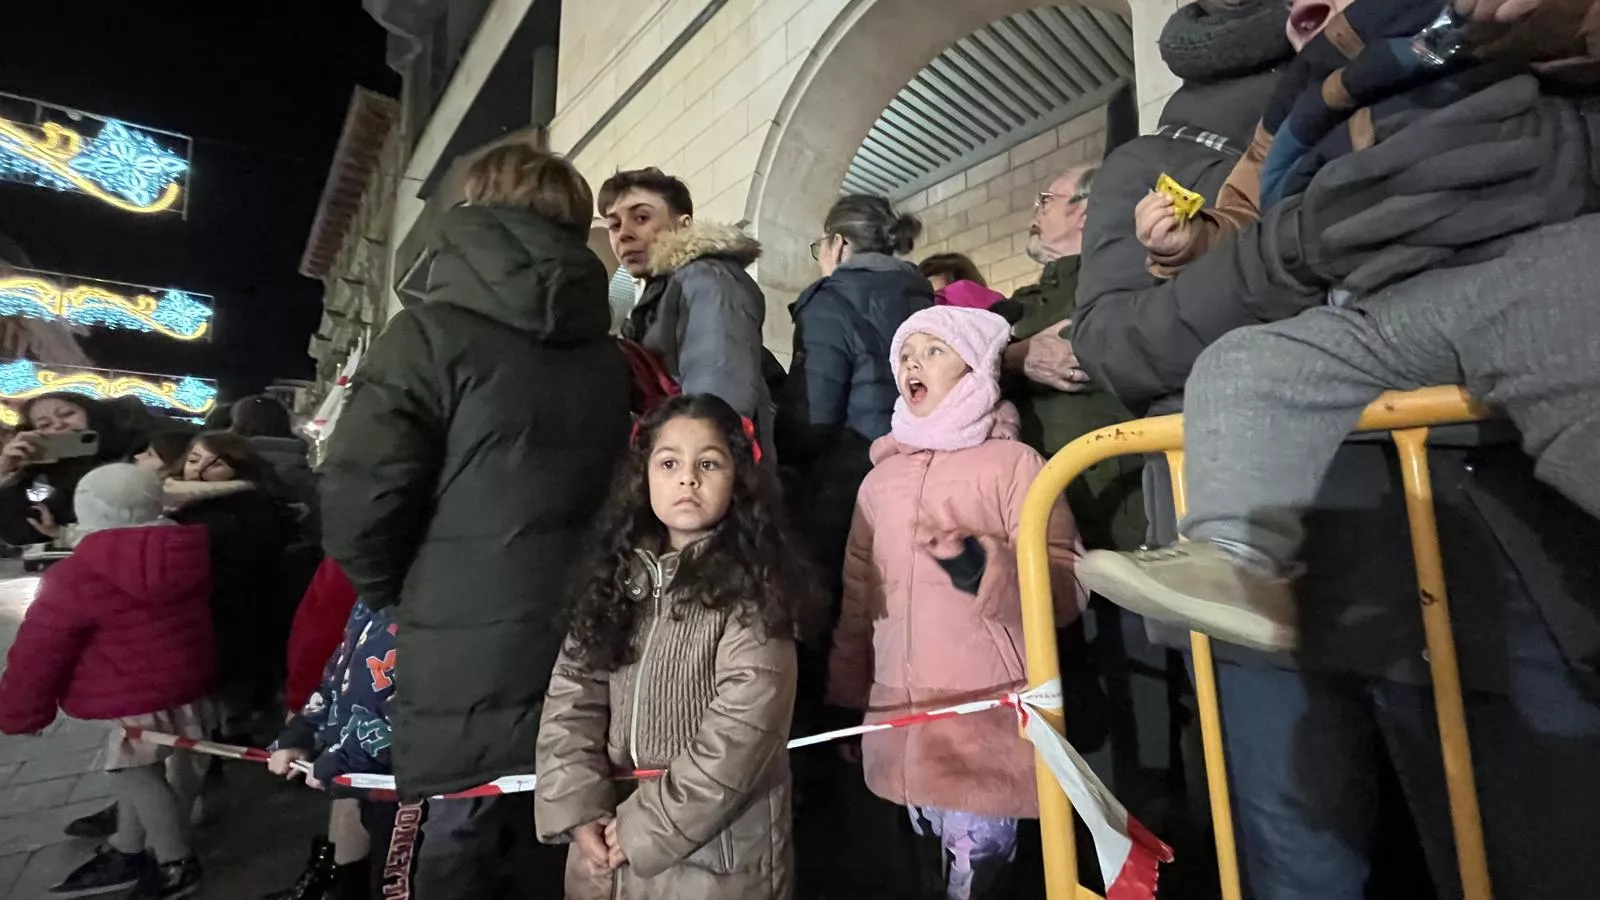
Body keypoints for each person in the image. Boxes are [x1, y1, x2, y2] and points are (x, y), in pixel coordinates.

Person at [1073, 1, 1600, 896]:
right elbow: (1134, 327)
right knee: (1248, 364)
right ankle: (1235, 554)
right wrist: (1238, 245)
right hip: (1364, 381)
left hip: (1505, 532)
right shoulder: (1244, 118)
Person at [320, 143, 629, 898]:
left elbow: (362, 497)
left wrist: (403, 590)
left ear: (474, 209)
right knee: (567, 832)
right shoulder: (607, 356)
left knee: (458, 838)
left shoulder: (426, 335)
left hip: (459, 635)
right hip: (587, 622)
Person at [827, 306, 1084, 899]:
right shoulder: (878, 482)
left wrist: (986, 567)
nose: (913, 361)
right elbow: (859, 602)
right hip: (899, 734)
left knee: (982, 884)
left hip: (986, 734)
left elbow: (1069, 584)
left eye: (933, 349)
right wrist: (845, 700)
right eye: (906, 354)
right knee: (921, 880)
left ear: (974, 366)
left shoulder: (1015, 465)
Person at [535, 394, 814, 899]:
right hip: (604, 854)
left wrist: (647, 826)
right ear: (643, 477)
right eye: (669, 463)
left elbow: (742, 733)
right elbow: (571, 696)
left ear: (739, 479)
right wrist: (578, 807)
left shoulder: (755, 591)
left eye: (708, 463)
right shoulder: (614, 582)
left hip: (716, 860)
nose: (688, 478)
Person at [0, 464, 211, 899]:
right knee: (141, 770)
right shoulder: (187, 552)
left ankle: (175, 862)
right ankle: (127, 846)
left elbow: (40, 650)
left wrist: (20, 712)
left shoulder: (76, 574)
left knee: (133, 775)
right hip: (186, 683)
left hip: (126, 695)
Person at [1003, 166, 1145, 553]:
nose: (1036, 212)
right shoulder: (1022, 302)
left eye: (1046, 201)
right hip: (1039, 520)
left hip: (1115, 517)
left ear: (1085, 213)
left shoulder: (1124, 281)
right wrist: (1015, 357)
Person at [601, 168, 777, 457]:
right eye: (614, 225)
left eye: (641, 217)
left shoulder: (706, 279)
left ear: (683, 225)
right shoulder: (661, 293)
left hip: (706, 476)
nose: (624, 235)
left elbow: (717, 403)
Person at [167, 432, 299, 734]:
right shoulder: (176, 504)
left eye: (216, 464)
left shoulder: (244, 509)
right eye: (193, 459)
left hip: (233, 616)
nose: (198, 471)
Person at [268, 598, 400, 900]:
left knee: (400, 884)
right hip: (371, 793)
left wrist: (341, 758)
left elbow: (421, 719)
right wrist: (301, 734)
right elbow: (335, 684)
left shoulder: (433, 611)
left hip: (412, 793)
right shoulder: (367, 605)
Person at [0, 393, 142, 546]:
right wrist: (4, 469)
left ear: (91, 412)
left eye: (67, 414)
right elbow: (17, 530)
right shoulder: (43, 476)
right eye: (45, 425)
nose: (59, 425)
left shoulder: (140, 451)